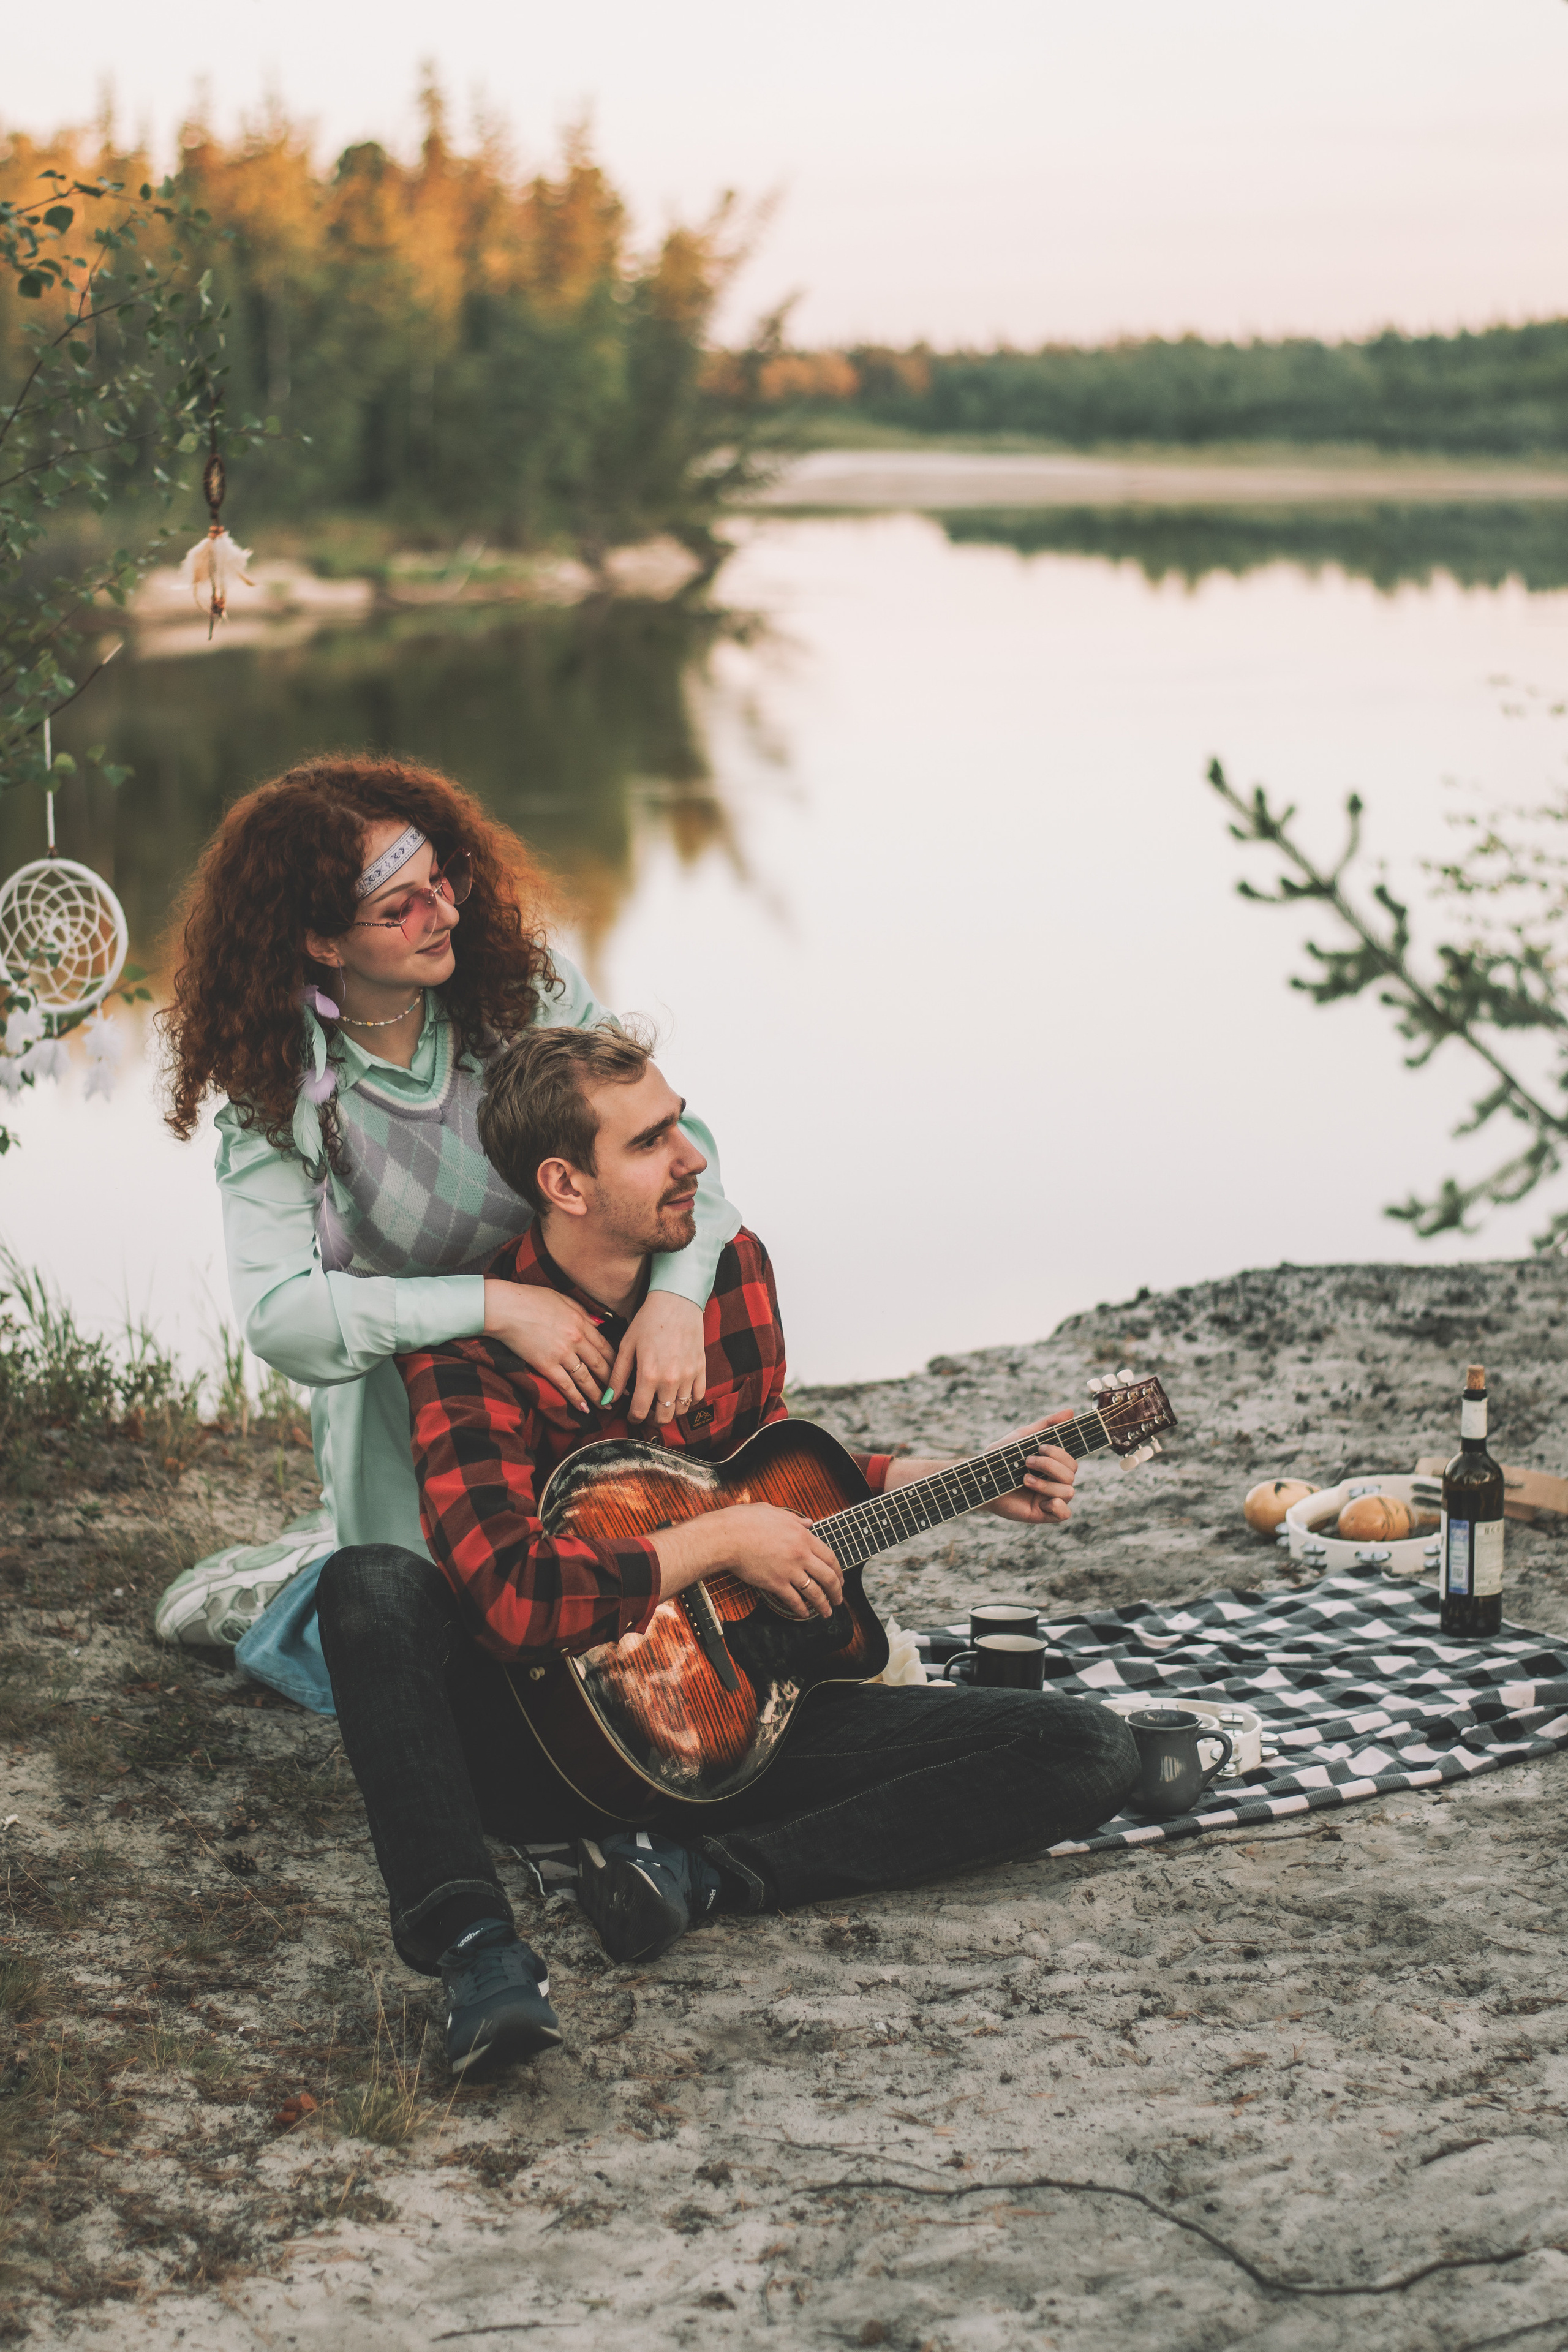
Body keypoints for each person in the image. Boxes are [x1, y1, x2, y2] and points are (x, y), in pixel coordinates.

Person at [316, 1023, 1140, 2081]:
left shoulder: (732, 1271)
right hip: (545, 1749)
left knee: (1086, 1749)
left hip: (746, 1720)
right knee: (369, 1585)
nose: (694, 1157)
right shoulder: (476, 1351)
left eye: (679, 1123)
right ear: (565, 1183)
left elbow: (763, 1474)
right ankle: (477, 1952)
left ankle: (702, 1881)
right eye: (654, 1141)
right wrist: (718, 1545)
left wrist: (945, 1471)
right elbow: (512, 1598)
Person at [153, 758, 741, 1693]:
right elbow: (280, 1317)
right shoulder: (281, 1086)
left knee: (658, 1610)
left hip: (591, 1343)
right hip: (410, 1399)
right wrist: (494, 1305)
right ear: (320, 940)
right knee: (448, 1651)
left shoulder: (521, 993)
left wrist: (674, 1301)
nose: (448, 915)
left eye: (443, 881)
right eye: (402, 908)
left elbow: (671, 1146)